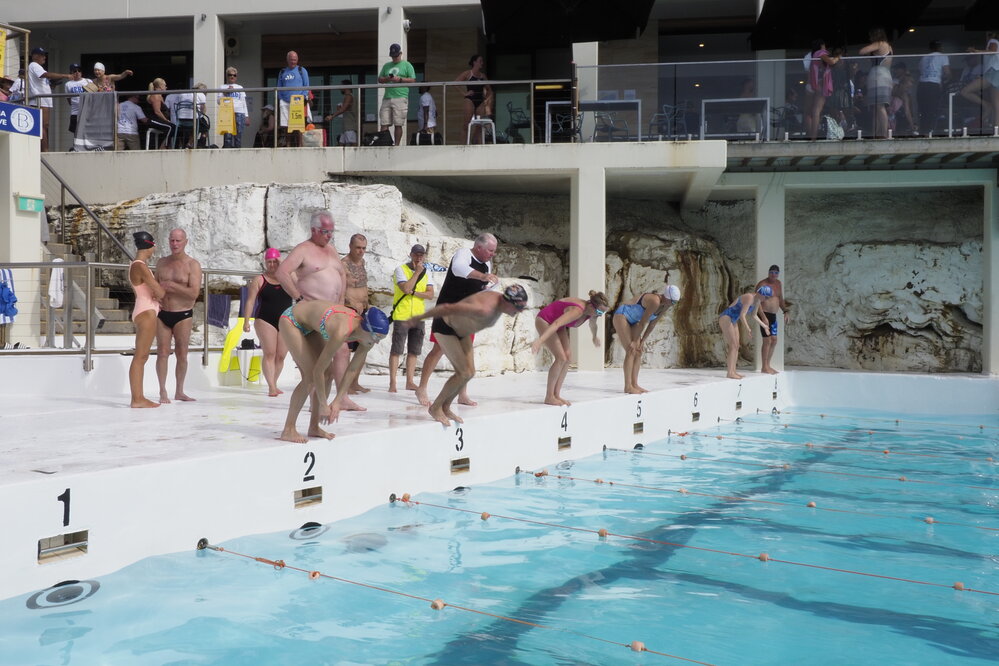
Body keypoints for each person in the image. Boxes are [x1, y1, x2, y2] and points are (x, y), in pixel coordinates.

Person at [275, 210, 363, 412]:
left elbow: (339, 276)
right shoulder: (303, 249)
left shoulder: (331, 250)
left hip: (333, 315)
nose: (329, 235)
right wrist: (298, 297)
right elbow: (282, 272)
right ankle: (319, 404)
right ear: (313, 229)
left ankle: (340, 398)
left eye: (331, 231)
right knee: (318, 366)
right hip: (311, 317)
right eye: (325, 231)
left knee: (340, 353)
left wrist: (341, 304)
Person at [404, 285, 528, 426]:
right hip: (446, 328)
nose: (520, 311)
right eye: (518, 308)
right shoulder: (484, 308)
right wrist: (419, 318)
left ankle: (446, 407)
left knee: (470, 373)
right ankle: (435, 407)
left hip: (463, 331)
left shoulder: (500, 301)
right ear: (507, 302)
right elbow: (447, 308)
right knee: (463, 373)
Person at [278, 304, 390, 443]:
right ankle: (288, 429)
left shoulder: (369, 340)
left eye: (381, 338)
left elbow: (352, 369)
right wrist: (324, 405)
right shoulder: (342, 331)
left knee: (329, 374)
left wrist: (337, 401)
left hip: (311, 326)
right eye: (376, 337)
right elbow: (317, 370)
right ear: (366, 328)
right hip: (292, 320)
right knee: (310, 377)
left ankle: (314, 427)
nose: (377, 342)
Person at [415, 233, 499, 409]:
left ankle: (462, 393)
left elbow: (482, 287)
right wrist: (483, 277)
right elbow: (459, 269)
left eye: (494, 251)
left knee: (466, 352)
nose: (493, 254)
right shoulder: (463, 254)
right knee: (438, 350)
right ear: (479, 248)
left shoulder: (486, 263)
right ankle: (421, 388)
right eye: (491, 250)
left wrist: (490, 286)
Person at [530, 290, 609, 406]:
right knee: (560, 358)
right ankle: (549, 396)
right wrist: (539, 341)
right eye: (598, 312)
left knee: (568, 358)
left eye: (602, 313)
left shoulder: (592, 312)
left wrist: (594, 337)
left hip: (558, 324)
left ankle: (556, 395)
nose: (599, 315)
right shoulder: (578, 310)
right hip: (545, 321)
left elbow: (593, 325)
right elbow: (556, 324)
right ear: (591, 306)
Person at [155, 228, 203, 403]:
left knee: (182, 353)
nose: (174, 244)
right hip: (162, 313)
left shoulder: (193, 265)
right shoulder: (161, 263)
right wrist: (155, 298)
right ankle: (162, 391)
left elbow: (194, 294)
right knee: (162, 353)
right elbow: (154, 286)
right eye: (172, 240)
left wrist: (172, 286)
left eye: (178, 241)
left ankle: (180, 391)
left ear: (185, 242)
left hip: (182, 314)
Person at [612, 280, 681, 394]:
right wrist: (635, 341)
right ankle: (628, 386)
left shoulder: (665, 306)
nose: (673, 305)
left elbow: (652, 323)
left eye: (675, 303)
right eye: (672, 302)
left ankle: (635, 384)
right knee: (631, 349)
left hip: (634, 322)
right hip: (622, 316)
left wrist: (642, 341)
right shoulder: (655, 301)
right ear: (667, 297)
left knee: (638, 351)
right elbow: (643, 323)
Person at [243, 248, 294, 396]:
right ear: (265, 263)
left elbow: (300, 284)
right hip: (265, 319)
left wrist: (283, 265)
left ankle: (274, 382)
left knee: (281, 355)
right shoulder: (260, 280)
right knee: (270, 353)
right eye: (269, 262)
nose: (272, 265)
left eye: (275, 261)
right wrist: (246, 321)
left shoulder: (288, 277)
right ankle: (271, 386)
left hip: (285, 319)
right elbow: (250, 301)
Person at [388, 244, 435, 393]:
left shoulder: (427, 273)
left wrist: (414, 293)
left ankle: (409, 381)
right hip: (402, 316)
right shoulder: (400, 270)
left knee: (414, 351)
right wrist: (416, 274)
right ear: (411, 254)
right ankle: (393, 383)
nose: (419, 257)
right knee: (397, 349)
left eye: (421, 255)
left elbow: (430, 294)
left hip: (418, 316)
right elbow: (405, 288)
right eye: (416, 254)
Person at [128, 231, 166, 409]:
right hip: (146, 312)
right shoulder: (140, 266)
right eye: (153, 246)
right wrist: (160, 293)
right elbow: (159, 292)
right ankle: (137, 399)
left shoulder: (138, 266)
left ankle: (138, 398)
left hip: (145, 309)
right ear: (150, 246)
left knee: (141, 356)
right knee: (141, 356)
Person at [719, 286, 771, 380]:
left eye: (767, 297)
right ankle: (730, 372)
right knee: (733, 345)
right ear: (760, 294)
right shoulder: (750, 297)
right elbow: (743, 315)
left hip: (733, 320)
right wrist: (747, 328)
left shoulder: (757, 301)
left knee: (736, 345)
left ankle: (733, 371)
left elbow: (754, 315)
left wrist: (764, 326)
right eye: (766, 297)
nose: (766, 299)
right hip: (727, 317)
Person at [27, 47, 72, 152]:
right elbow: (45, 75)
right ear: (35, 56)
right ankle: (45, 150)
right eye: (42, 55)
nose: (44, 58)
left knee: (45, 125)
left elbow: (44, 81)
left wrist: (52, 85)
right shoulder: (34, 65)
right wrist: (65, 75)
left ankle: (44, 149)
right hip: (40, 100)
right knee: (42, 125)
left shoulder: (38, 67)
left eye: (44, 55)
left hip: (45, 100)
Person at [342, 233, 370, 393]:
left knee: (363, 346)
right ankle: (344, 385)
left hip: (363, 309)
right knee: (346, 349)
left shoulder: (362, 262)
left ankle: (354, 382)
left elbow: (362, 286)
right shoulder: (343, 264)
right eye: (358, 248)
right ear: (350, 247)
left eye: (364, 248)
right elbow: (341, 288)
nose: (361, 251)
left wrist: (367, 303)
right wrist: (352, 303)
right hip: (349, 309)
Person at [754, 265, 791, 375]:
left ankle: (767, 365)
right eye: (771, 272)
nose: (773, 275)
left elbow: (780, 299)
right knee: (767, 340)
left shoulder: (778, 284)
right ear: (768, 272)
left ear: (778, 274)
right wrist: (763, 318)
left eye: (776, 273)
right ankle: (764, 367)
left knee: (774, 340)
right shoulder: (762, 284)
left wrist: (785, 311)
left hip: (773, 316)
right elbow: (757, 302)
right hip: (763, 314)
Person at [377, 43, 416, 146]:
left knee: (398, 123)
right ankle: (384, 144)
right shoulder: (387, 65)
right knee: (384, 122)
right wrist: (387, 79)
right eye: (393, 56)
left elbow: (413, 80)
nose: (394, 58)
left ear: (400, 54)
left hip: (400, 96)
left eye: (396, 55)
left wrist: (400, 79)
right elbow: (380, 79)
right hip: (387, 97)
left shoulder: (407, 65)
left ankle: (397, 145)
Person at [859, 28, 893, 139]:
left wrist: (871, 50)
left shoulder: (879, 43)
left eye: (871, 36)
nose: (870, 39)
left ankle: (882, 133)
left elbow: (862, 51)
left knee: (879, 106)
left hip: (878, 77)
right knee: (877, 107)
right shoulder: (889, 46)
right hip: (886, 75)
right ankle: (877, 132)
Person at [961, 32, 999, 128]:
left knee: (965, 91)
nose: (988, 36)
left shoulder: (993, 41)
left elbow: (993, 51)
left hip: (993, 73)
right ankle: (996, 128)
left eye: (990, 34)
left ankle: (986, 105)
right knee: (996, 103)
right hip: (993, 73)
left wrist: (976, 51)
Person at [804, 40, 841, 140]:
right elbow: (831, 62)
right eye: (824, 45)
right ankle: (813, 137)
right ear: (821, 46)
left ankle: (809, 134)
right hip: (819, 83)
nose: (825, 47)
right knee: (816, 111)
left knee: (808, 113)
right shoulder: (821, 53)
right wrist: (837, 57)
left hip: (810, 84)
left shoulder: (813, 55)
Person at [457, 54, 493, 144]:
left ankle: (475, 142)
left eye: (482, 61)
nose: (482, 63)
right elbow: (455, 83)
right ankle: (462, 146)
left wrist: (486, 99)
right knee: (466, 124)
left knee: (479, 125)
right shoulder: (468, 74)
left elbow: (490, 90)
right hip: (470, 99)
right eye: (480, 61)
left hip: (480, 101)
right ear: (474, 62)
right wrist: (464, 93)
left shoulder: (482, 76)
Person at [277, 51, 310, 148]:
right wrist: (281, 98)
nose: (293, 62)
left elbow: (306, 85)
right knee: (286, 125)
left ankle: (300, 145)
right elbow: (279, 87)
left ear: (297, 59)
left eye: (295, 60)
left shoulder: (301, 70)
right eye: (291, 60)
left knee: (299, 125)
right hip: (285, 102)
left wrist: (302, 97)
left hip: (298, 101)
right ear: (287, 60)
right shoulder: (282, 72)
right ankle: (288, 144)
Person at [917, 40, 951, 135]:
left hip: (922, 85)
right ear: (939, 47)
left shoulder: (924, 57)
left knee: (923, 110)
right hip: (933, 85)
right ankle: (930, 131)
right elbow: (947, 72)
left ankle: (922, 132)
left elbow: (920, 71)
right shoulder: (942, 56)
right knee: (933, 110)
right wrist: (945, 80)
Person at [220, 66, 250, 148]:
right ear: (227, 76)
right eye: (230, 75)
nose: (232, 77)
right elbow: (218, 101)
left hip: (239, 112)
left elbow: (244, 102)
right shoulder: (222, 87)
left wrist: (246, 116)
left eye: (234, 75)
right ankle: (227, 152)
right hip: (227, 113)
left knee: (238, 134)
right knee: (227, 135)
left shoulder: (240, 87)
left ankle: (238, 152)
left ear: (236, 77)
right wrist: (225, 93)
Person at [324, 80, 357, 146]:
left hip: (350, 126)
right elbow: (344, 109)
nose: (340, 88)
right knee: (341, 144)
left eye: (341, 86)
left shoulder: (349, 96)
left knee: (353, 145)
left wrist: (332, 116)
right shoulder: (347, 96)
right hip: (346, 126)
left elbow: (343, 109)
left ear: (346, 87)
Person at [146, 78, 176, 149]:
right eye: (165, 85)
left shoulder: (160, 96)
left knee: (173, 126)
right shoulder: (155, 95)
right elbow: (157, 111)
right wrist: (166, 120)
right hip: (153, 120)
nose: (166, 87)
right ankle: (164, 147)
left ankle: (165, 145)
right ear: (160, 87)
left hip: (159, 120)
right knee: (170, 127)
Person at [64, 64, 91, 136]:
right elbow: (68, 99)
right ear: (71, 72)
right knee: (76, 132)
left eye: (79, 70)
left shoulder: (88, 81)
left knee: (87, 131)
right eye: (75, 71)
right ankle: (76, 147)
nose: (77, 72)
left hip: (87, 111)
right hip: (75, 111)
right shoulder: (68, 84)